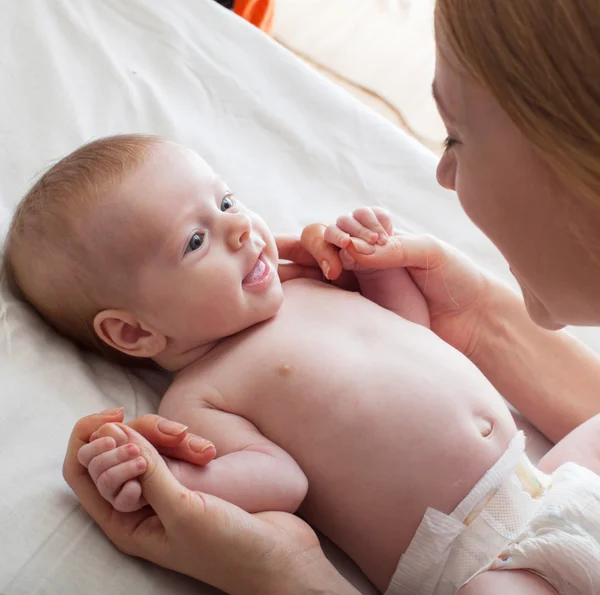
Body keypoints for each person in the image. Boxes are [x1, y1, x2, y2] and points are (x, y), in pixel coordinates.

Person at [61, 0, 600, 593]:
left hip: (550, 485)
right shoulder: (199, 397)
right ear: (134, 332)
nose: (239, 228)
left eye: (226, 202)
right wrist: (168, 476)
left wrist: (376, 266)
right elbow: (277, 481)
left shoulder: (310, 288)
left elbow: (410, 333)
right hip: (480, 560)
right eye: (195, 241)